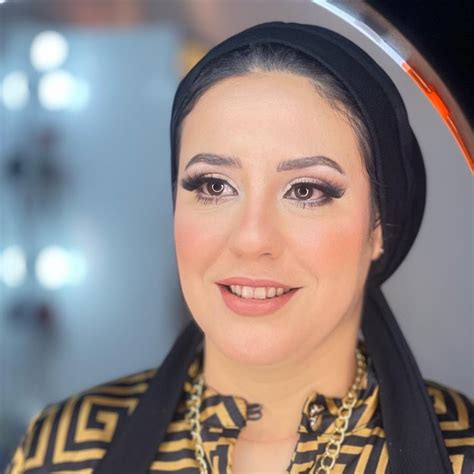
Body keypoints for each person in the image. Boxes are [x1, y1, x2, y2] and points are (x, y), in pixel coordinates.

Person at [6, 21, 473, 474]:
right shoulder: (59, 450)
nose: (252, 239)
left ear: (379, 227)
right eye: (214, 185)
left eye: (305, 190)